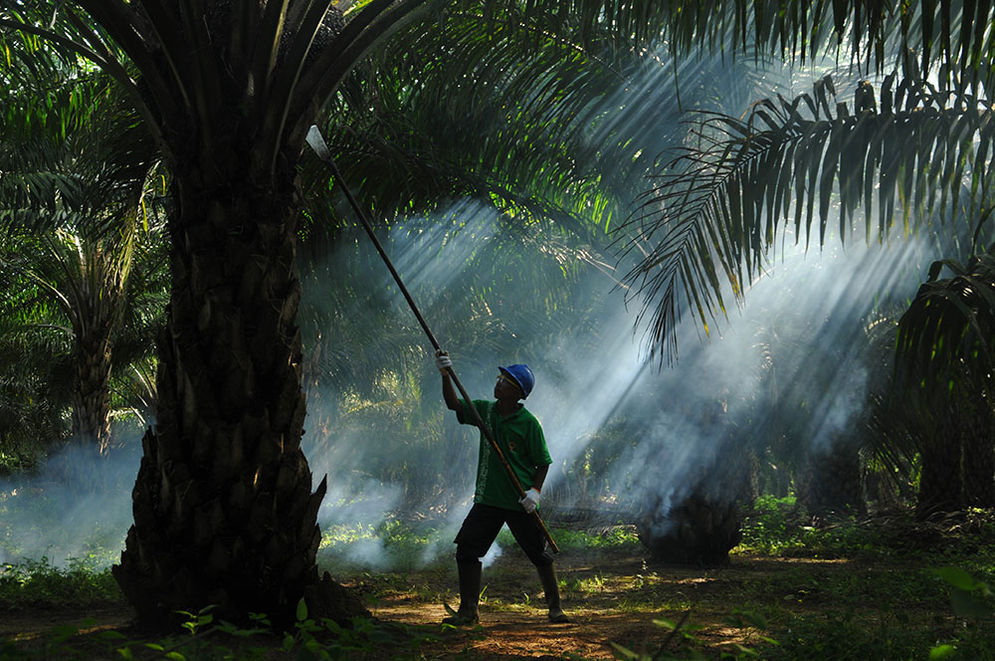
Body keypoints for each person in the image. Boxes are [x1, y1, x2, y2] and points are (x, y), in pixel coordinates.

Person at [434, 349, 570, 625]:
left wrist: (535, 493)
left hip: (519, 499)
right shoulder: (484, 410)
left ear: (518, 392)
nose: (498, 383)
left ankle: (555, 608)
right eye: (500, 377)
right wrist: (445, 375)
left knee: (540, 554)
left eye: (505, 381)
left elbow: (542, 462)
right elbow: (453, 405)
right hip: (489, 499)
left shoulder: (529, 424)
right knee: (467, 550)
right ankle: (469, 612)